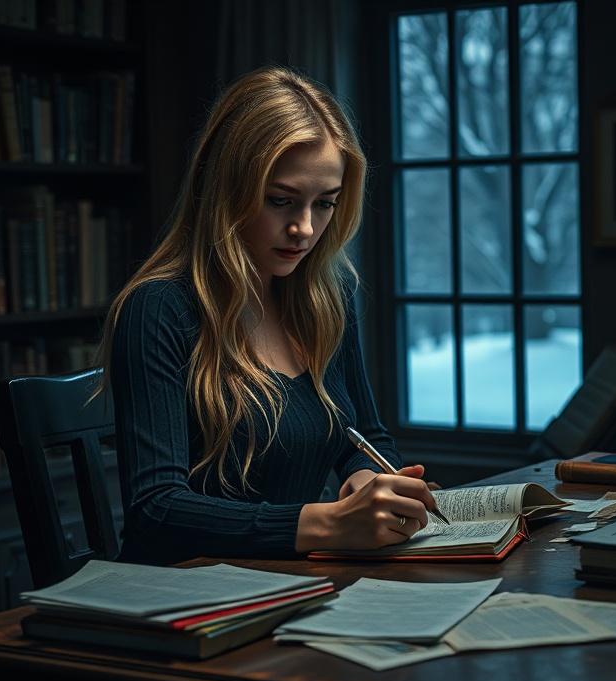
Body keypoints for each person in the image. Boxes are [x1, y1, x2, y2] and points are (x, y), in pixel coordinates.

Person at [95, 66, 437, 565]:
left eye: (325, 204)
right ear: (227, 188)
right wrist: (329, 522)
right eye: (281, 200)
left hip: (291, 579)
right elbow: (155, 510)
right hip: (185, 593)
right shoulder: (159, 308)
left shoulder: (328, 297)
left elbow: (366, 435)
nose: (304, 228)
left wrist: (365, 477)